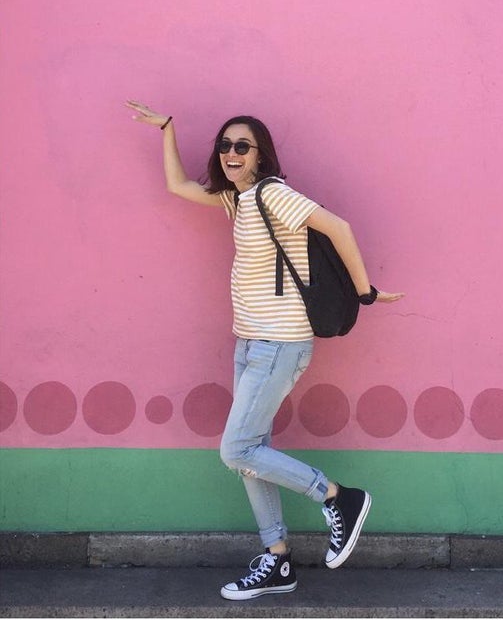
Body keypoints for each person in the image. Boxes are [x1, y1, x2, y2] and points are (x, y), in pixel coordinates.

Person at [125, 100, 405, 600]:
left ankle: (337, 496)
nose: (232, 153)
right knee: (252, 454)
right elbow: (179, 186)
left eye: (243, 146)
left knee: (237, 450)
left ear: (260, 155)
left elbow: (338, 227)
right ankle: (277, 559)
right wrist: (167, 129)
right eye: (225, 145)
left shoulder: (272, 193)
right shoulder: (239, 200)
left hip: (279, 344)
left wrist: (364, 292)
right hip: (250, 342)